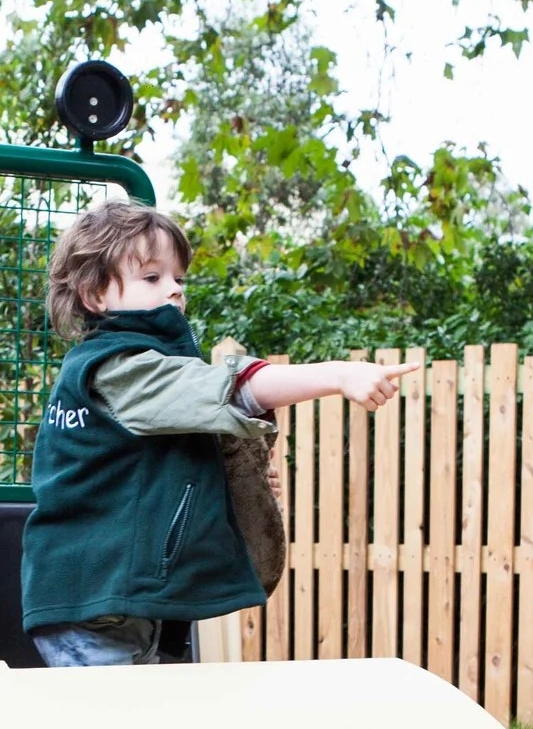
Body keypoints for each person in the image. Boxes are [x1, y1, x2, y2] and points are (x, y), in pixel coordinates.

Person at [21, 199, 413, 666]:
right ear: (94, 296)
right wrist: (338, 375)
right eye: (151, 277)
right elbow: (228, 390)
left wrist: (233, 481)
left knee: (144, 726)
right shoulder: (116, 368)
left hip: (120, 594)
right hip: (95, 598)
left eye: (178, 279)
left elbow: (154, 470)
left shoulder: (141, 369)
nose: (174, 291)